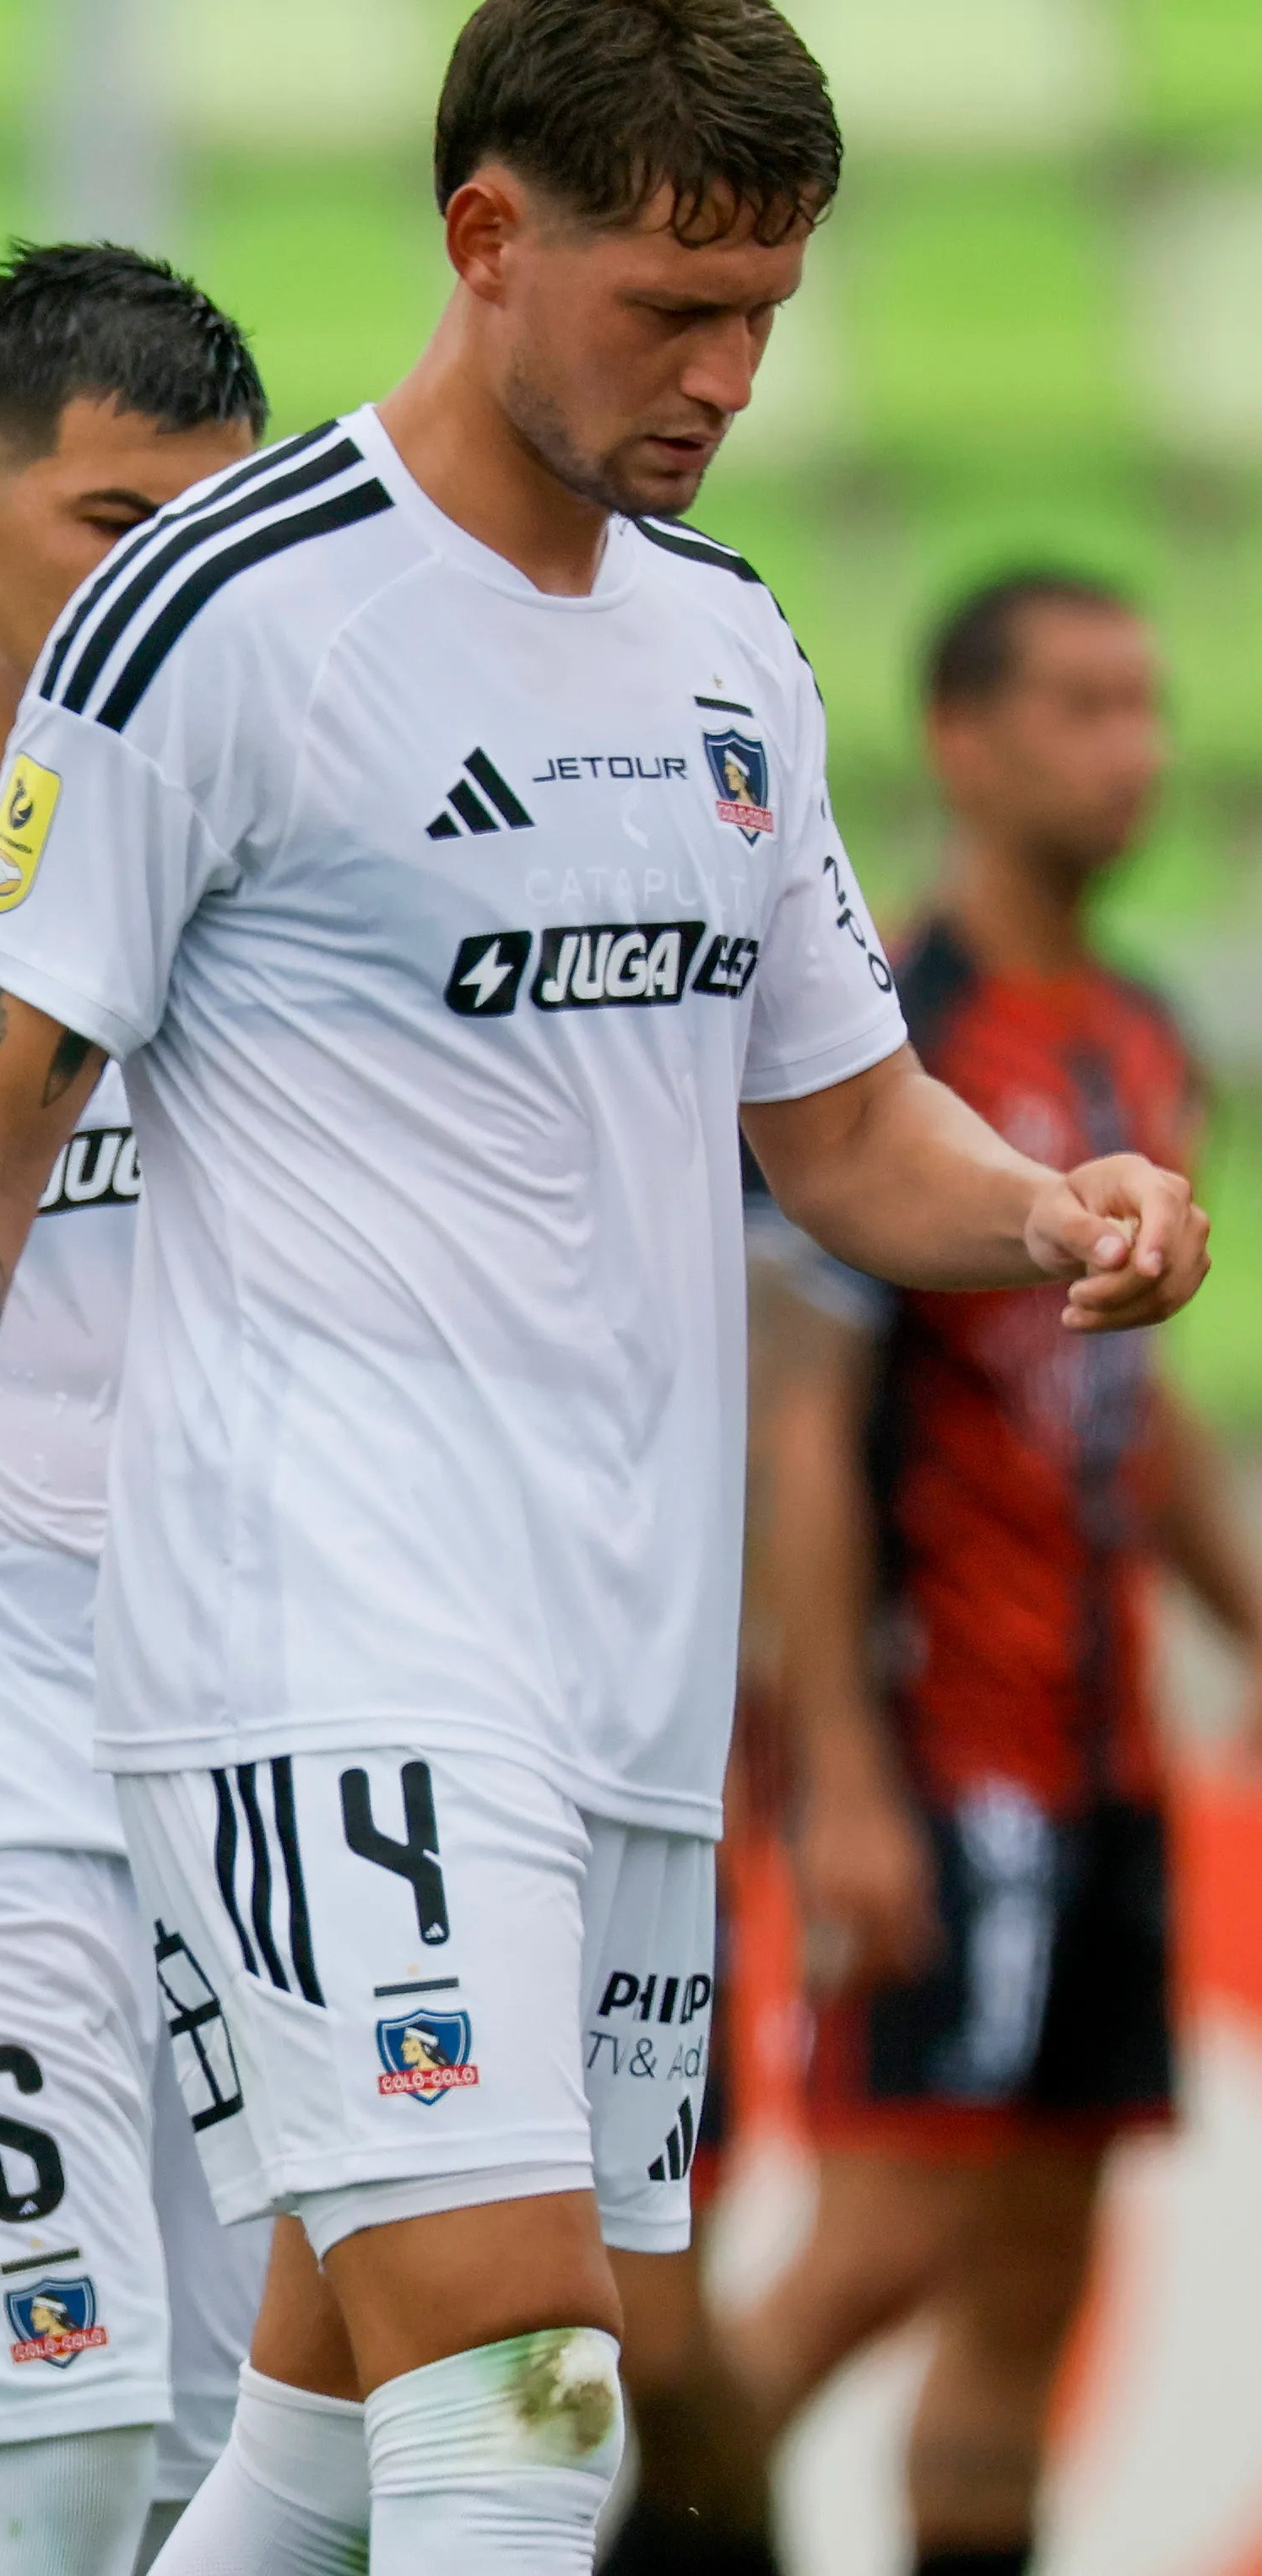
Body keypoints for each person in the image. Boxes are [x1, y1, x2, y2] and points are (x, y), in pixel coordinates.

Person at [0, 7, 1209, 2573]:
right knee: (526, 2398)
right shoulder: (220, 614)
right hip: (323, 1638)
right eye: (673, 309)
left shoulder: (725, 647)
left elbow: (847, 1125)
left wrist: (1052, 1208)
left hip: (623, 1677)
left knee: (327, 2440)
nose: (726, 376)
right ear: (485, 237)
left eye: (766, 315)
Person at [736, 571, 1249, 2576]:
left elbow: (1135, 1400)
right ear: (959, 739)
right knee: (881, 2243)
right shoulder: (897, 1044)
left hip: (1105, 1748)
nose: (1135, 750)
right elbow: (800, 1420)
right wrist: (843, 1775)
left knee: (1037, 2280)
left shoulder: (1139, 1035)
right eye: (1082, 706)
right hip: (945, 1745)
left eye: (1147, 704)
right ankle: (633, 2530)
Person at [0, 245, 268, 2576]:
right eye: (114, 521)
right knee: (57, 2424)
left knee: (252, 2459)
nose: (164, 584)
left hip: (252, 1733)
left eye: (212, 528)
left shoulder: (283, 850)